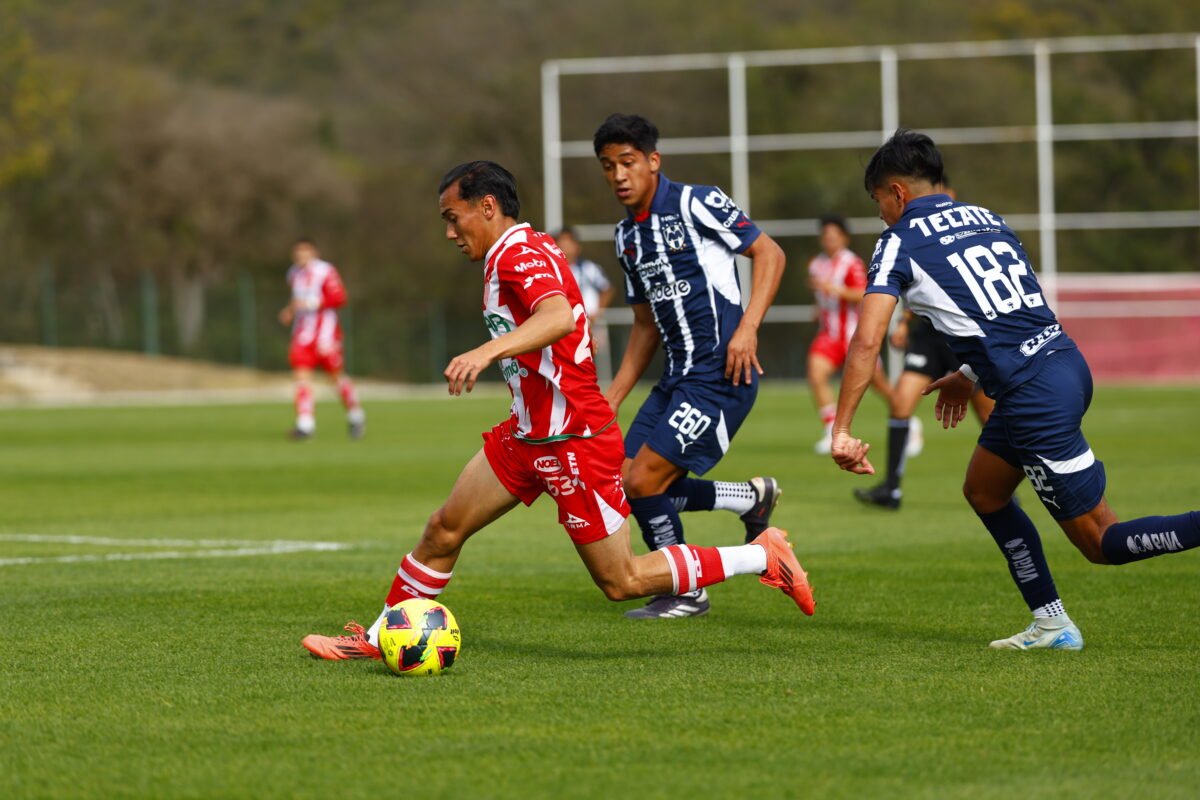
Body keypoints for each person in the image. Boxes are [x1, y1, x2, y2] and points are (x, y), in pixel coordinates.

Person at [300, 161, 814, 660]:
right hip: (527, 437)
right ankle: (376, 637)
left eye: (452, 218)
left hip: (573, 439)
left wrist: (485, 351)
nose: (450, 233)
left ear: (486, 206)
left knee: (623, 580)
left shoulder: (517, 253)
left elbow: (558, 316)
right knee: (443, 530)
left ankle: (762, 555)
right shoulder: (513, 251)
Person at [831, 129, 1200, 650]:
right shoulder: (988, 218)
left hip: (1033, 397)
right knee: (983, 490)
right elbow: (1014, 313)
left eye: (879, 204)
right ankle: (1051, 623)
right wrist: (970, 375)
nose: (882, 216)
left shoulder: (898, 240)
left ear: (897, 193)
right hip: (1063, 365)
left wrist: (842, 430)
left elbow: (867, 341)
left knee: (1101, 541)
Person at [593, 113, 789, 620]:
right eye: (608, 166)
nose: (618, 175)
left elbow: (769, 253)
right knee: (622, 479)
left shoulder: (696, 202)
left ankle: (685, 591)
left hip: (721, 378)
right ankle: (747, 499)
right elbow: (643, 326)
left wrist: (747, 328)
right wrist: (610, 398)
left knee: (643, 484)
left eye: (628, 163)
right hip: (675, 379)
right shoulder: (625, 238)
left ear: (653, 162)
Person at [853, 308, 992, 510]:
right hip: (928, 336)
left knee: (988, 416)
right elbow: (918, 286)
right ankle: (891, 490)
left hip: (964, 333)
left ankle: (1004, 488)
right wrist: (903, 322)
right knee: (900, 405)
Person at [806, 215, 892, 455]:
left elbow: (863, 293)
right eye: (825, 236)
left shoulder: (851, 263)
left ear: (844, 238)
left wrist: (836, 290)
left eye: (834, 236)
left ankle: (906, 420)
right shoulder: (817, 264)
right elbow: (822, 298)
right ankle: (829, 430)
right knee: (816, 374)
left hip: (854, 336)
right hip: (830, 335)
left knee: (878, 385)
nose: (829, 240)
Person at [278, 239, 365, 440]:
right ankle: (305, 425)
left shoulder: (325, 271)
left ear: (314, 252)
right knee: (301, 378)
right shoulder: (293, 274)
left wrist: (310, 303)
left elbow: (340, 297)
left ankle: (355, 414)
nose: (301, 256)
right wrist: (290, 311)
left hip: (326, 336)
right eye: (298, 252)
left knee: (336, 378)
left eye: (305, 252)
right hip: (302, 335)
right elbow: (296, 299)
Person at [553, 227, 615, 375]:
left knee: (598, 362)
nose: (565, 247)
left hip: (592, 323)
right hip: (565, 324)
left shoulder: (589, 268)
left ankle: (603, 390)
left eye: (569, 243)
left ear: (577, 246)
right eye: (561, 243)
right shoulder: (552, 270)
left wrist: (597, 312)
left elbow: (607, 289)